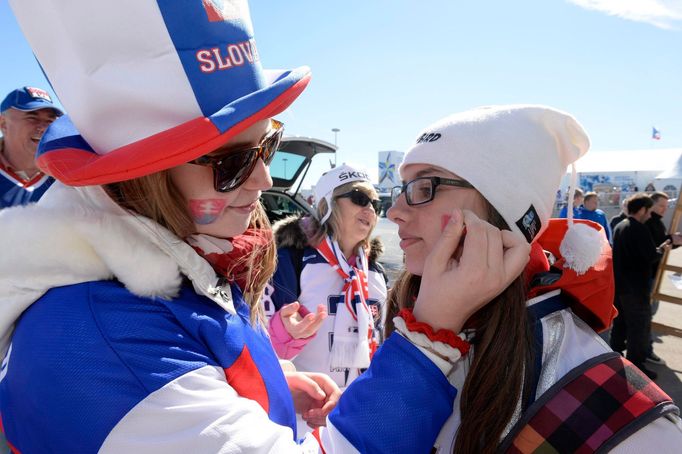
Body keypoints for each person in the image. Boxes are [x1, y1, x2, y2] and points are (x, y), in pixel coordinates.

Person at [0, 1, 529, 452]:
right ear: (140, 176)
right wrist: (430, 337)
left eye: (266, 146)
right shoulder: (103, 341)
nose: (259, 180)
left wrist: (269, 388)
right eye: (230, 163)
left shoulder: (174, 260)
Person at [386, 105, 682, 453]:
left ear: (502, 211)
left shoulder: (621, 417)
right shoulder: (408, 310)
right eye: (403, 189)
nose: (393, 212)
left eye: (424, 187)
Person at [265, 164, 387, 389]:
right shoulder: (291, 260)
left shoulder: (375, 270)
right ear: (326, 205)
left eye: (375, 203)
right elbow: (261, 345)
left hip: (356, 405)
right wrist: (287, 333)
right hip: (304, 408)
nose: (370, 209)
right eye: (360, 198)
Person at [610, 194, 673, 380]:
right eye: (649, 210)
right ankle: (636, 369)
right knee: (639, 328)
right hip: (635, 289)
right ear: (642, 210)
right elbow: (650, 256)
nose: (650, 214)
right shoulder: (638, 228)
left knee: (620, 325)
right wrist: (663, 248)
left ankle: (615, 361)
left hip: (621, 287)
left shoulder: (621, 226)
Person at [0, 87, 61, 208]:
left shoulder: (67, 178)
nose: (43, 128)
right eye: (32, 118)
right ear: (3, 123)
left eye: (50, 120)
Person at [644, 191, 682, 365]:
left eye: (666, 206)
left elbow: (662, 244)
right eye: (661, 205)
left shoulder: (656, 221)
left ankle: (643, 348)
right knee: (646, 315)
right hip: (646, 276)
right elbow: (653, 247)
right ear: (651, 204)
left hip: (652, 274)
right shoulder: (646, 222)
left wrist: (673, 241)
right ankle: (645, 350)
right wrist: (670, 239)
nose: (664, 209)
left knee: (648, 314)